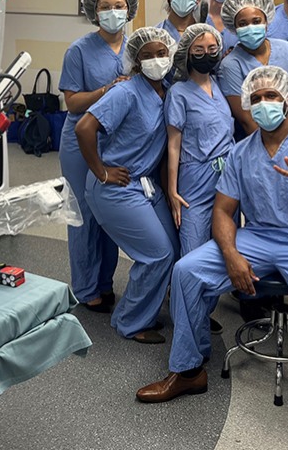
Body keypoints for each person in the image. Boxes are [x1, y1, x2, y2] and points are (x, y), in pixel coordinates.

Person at [135, 66, 288, 450]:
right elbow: (222, 211)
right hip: (257, 238)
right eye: (258, 98)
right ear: (247, 103)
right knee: (187, 271)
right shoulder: (241, 152)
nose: (265, 104)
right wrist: (231, 254)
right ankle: (189, 369)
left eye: (273, 96)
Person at [75, 27, 181, 344]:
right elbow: (84, 128)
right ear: (135, 60)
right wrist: (102, 172)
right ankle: (129, 322)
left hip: (147, 184)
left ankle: (144, 308)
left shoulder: (169, 90)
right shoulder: (126, 92)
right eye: (147, 55)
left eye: (161, 53)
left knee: (174, 250)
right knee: (158, 254)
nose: (155, 60)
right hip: (116, 187)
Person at [58, 0, 136, 313]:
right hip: (81, 141)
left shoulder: (136, 47)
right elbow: (72, 102)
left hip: (116, 142)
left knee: (108, 215)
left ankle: (105, 282)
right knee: (84, 216)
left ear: (129, 8)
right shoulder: (79, 50)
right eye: (106, 7)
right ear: (94, 11)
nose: (113, 12)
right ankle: (87, 287)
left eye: (119, 6)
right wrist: (108, 90)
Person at [165, 23, 234, 257]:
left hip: (227, 175)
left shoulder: (219, 84)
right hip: (195, 178)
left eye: (212, 49)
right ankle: (187, 293)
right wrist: (172, 191)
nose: (206, 54)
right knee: (193, 247)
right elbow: (173, 145)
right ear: (187, 54)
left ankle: (212, 295)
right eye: (198, 50)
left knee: (224, 243)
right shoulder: (179, 93)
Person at [218, 0, 288, 140]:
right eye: (242, 24)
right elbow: (247, 120)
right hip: (255, 141)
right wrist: (275, 147)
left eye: (256, 21)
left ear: (266, 21)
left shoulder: (287, 50)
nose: (250, 27)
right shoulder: (231, 64)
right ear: (234, 28)